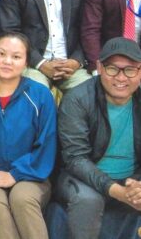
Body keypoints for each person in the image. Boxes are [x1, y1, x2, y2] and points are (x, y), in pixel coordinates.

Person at [0, 32, 57, 239]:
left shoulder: (40, 95)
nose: (8, 61)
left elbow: (47, 145)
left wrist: (14, 175)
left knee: (22, 198)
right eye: (1, 54)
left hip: (32, 175)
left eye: (16, 56)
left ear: (26, 62)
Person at [56, 37, 141, 239]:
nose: (121, 78)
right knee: (88, 200)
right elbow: (76, 159)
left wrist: (137, 187)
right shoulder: (78, 99)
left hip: (132, 178)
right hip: (82, 178)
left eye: (130, 70)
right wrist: (118, 191)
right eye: (113, 69)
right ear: (100, 68)